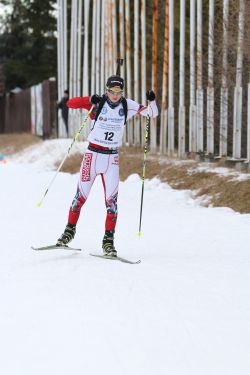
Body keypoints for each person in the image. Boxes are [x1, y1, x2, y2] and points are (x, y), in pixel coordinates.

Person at [56, 75, 158, 256]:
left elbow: (151, 113)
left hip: (111, 159)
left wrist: (152, 101)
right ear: (107, 90)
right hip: (92, 155)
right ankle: (68, 233)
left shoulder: (128, 105)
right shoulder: (98, 103)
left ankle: (108, 242)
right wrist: (88, 100)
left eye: (119, 92)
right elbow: (70, 104)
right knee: (79, 198)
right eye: (112, 91)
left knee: (112, 204)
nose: (115, 95)